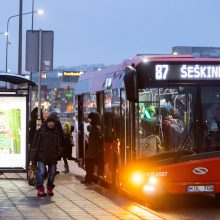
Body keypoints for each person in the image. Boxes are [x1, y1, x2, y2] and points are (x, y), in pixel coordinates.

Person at [30, 116, 63, 197]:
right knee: (41, 172)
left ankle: (50, 188)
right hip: (42, 155)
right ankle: (40, 189)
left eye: (53, 122)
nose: (51, 124)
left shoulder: (57, 132)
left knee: (52, 173)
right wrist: (33, 156)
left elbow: (60, 145)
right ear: (47, 122)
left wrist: (59, 153)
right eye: (50, 122)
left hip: (53, 156)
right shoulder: (40, 131)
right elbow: (34, 143)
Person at [81, 112, 104, 184]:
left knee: (89, 166)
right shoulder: (96, 128)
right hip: (93, 150)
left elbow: (97, 140)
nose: (89, 120)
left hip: (93, 151)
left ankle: (88, 179)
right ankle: (89, 178)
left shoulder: (95, 129)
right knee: (90, 165)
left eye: (90, 119)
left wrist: (97, 149)